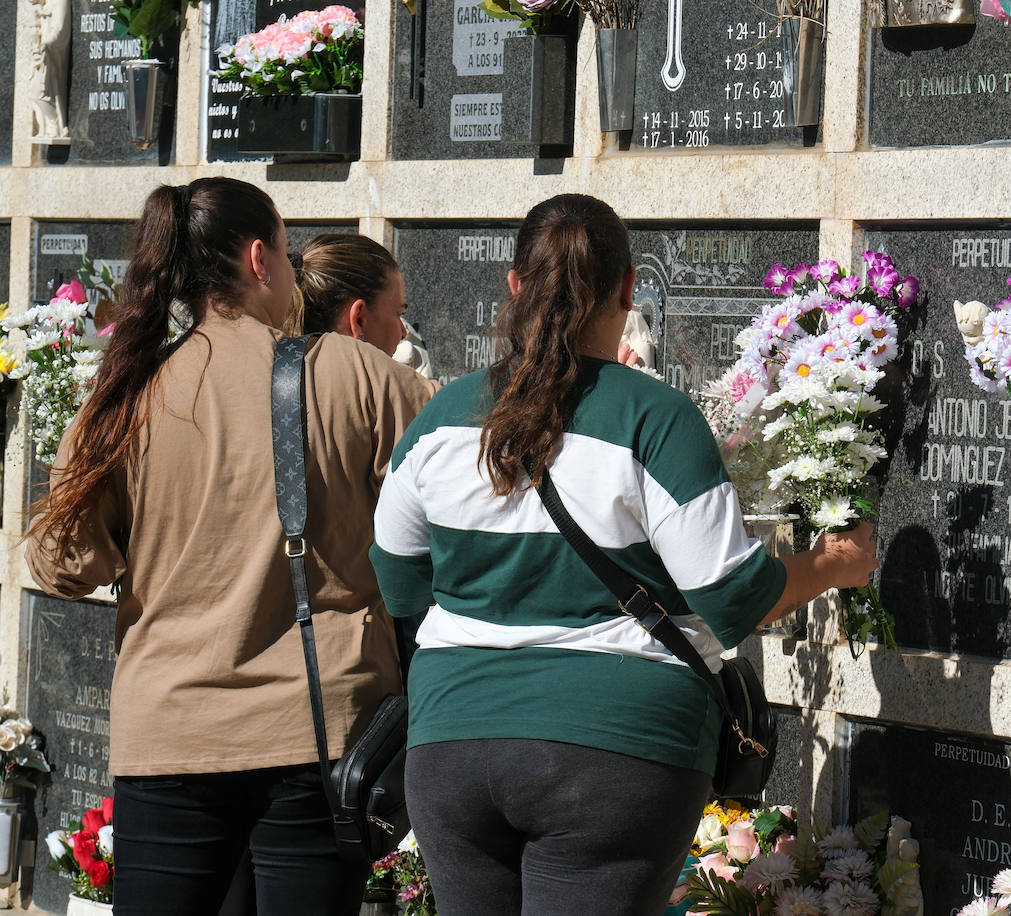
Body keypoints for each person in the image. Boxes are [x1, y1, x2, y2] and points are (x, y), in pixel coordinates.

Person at [370, 193, 878, 915]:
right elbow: (730, 593)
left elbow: (398, 579)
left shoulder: (440, 419)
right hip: (615, 748)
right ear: (629, 289)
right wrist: (832, 566)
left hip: (455, 745)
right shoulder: (654, 417)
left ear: (514, 286)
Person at [25, 178, 434, 915]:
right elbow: (463, 494)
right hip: (319, 728)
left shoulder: (127, 394)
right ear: (258, 260)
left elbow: (62, 565)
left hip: (171, 734)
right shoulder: (358, 375)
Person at [297, 233, 409, 359]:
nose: (404, 333)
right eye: (398, 313)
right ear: (358, 320)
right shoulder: (397, 378)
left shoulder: (276, 369)